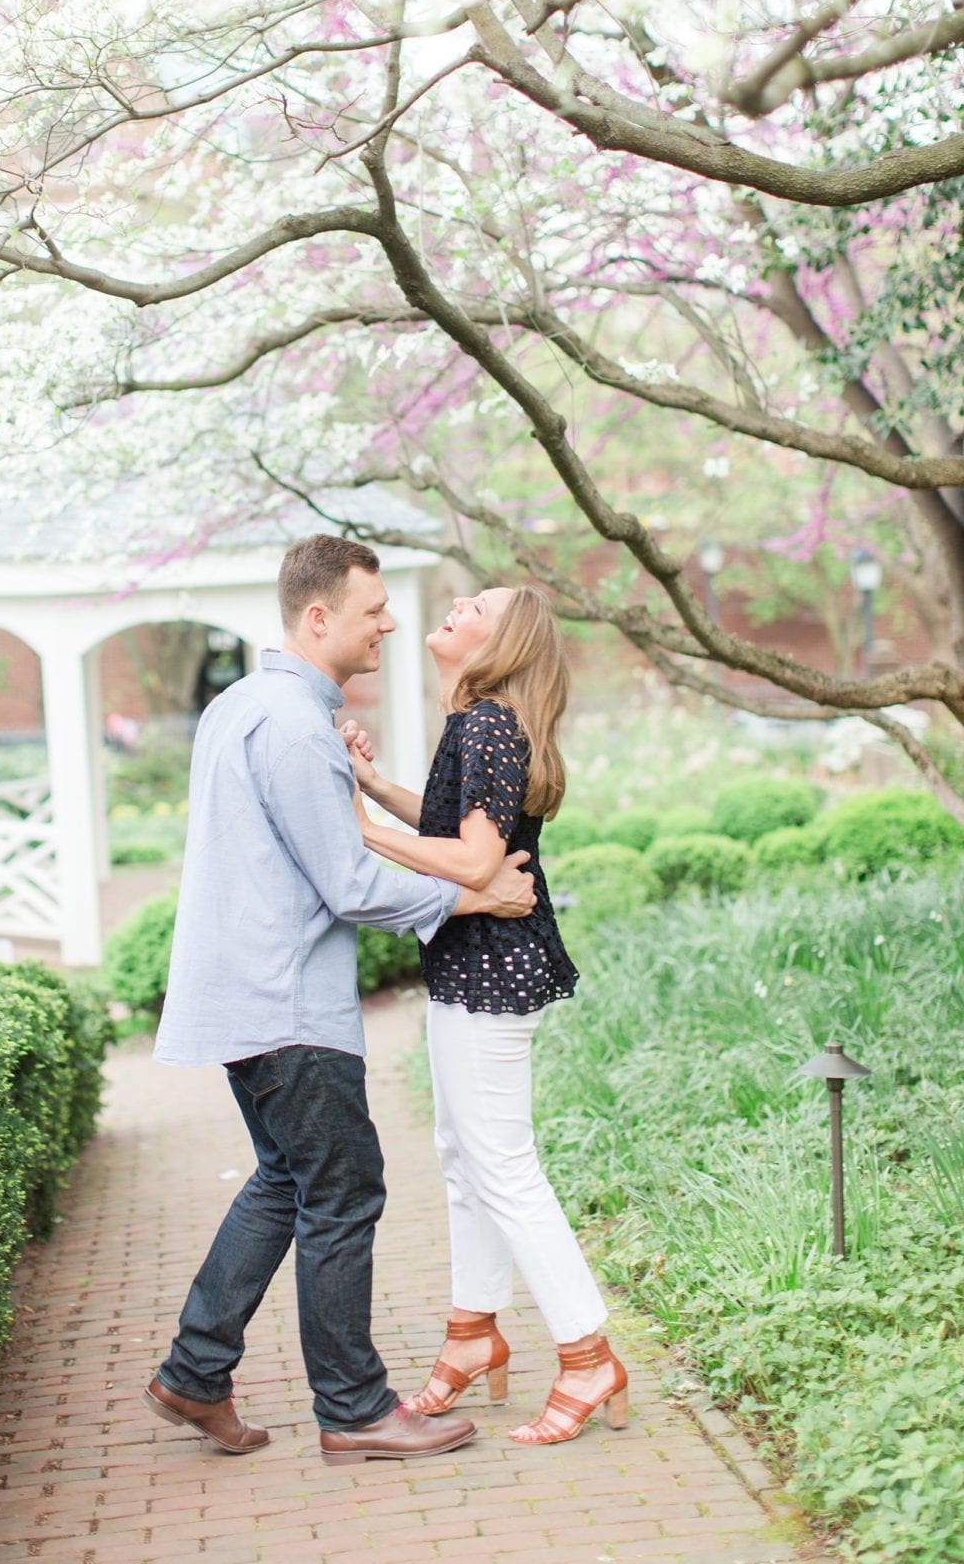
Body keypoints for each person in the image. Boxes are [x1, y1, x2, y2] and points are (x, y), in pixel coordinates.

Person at [146, 535, 537, 1465]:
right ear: (318, 618)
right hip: (288, 1006)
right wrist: (471, 896)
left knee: (288, 1183)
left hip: (244, 997)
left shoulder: (244, 705)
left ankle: (195, 1374)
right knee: (343, 1191)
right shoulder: (289, 724)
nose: (390, 624)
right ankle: (356, 1410)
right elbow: (348, 883)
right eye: (372, 612)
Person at [344, 584, 629, 1445]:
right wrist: (372, 786)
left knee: (502, 1165)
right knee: (463, 1156)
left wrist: (352, 823)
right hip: (475, 965)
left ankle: (587, 1356)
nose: (456, 606)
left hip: (491, 971)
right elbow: (451, 827)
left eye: (478, 605)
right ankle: (473, 1335)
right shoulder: (481, 724)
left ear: (504, 643)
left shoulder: (489, 724)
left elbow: (470, 861)